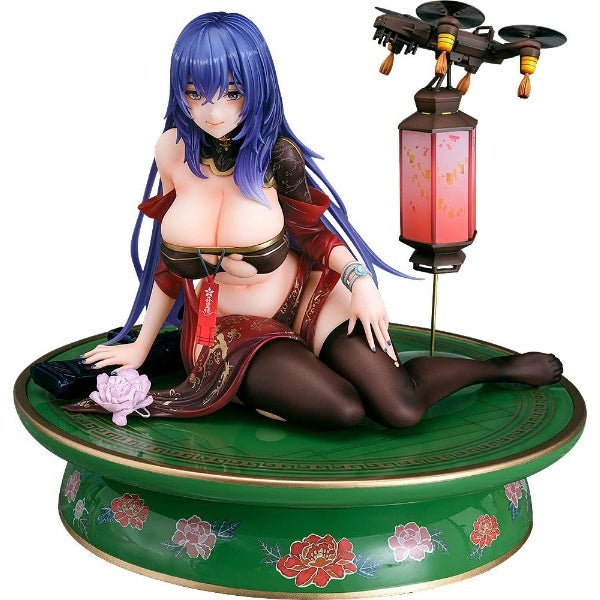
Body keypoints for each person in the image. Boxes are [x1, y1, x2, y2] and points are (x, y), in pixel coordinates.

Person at [70, 12, 562, 429]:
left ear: (257, 86)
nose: (213, 112)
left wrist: (361, 282)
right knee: (344, 410)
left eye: (232, 92)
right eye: (196, 93)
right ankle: (263, 386)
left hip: (307, 296)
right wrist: (142, 345)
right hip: (230, 328)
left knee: (400, 408)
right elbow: (167, 265)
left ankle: (497, 370)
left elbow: (312, 235)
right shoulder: (172, 151)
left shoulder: (276, 156)